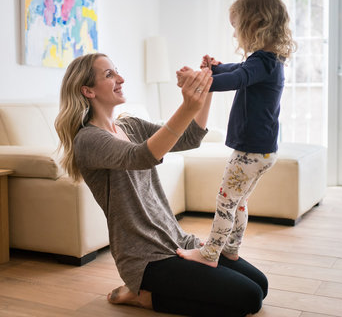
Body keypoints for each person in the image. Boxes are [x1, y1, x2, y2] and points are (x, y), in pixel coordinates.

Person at [55, 52, 269, 316]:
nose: (121, 79)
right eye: (109, 75)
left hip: (177, 240)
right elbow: (142, 156)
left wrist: (207, 86)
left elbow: (189, 137)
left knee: (261, 285)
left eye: (117, 71)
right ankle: (145, 297)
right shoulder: (88, 140)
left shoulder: (130, 124)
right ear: (87, 90)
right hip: (145, 259)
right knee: (249, 298)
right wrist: (187, 106)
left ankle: (152, 292)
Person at [176, 0, 297, 268]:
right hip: (263, 151)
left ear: (253, 25)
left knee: (225, 202)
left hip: (249, 152)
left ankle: (209, 254)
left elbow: (239, 78)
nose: (234, 35)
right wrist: (214, 69)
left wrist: (197, 79)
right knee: (238, 201)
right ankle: (230, 248)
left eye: (236, 27)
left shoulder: (261, 63)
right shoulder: (268, 60)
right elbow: (239, 70)